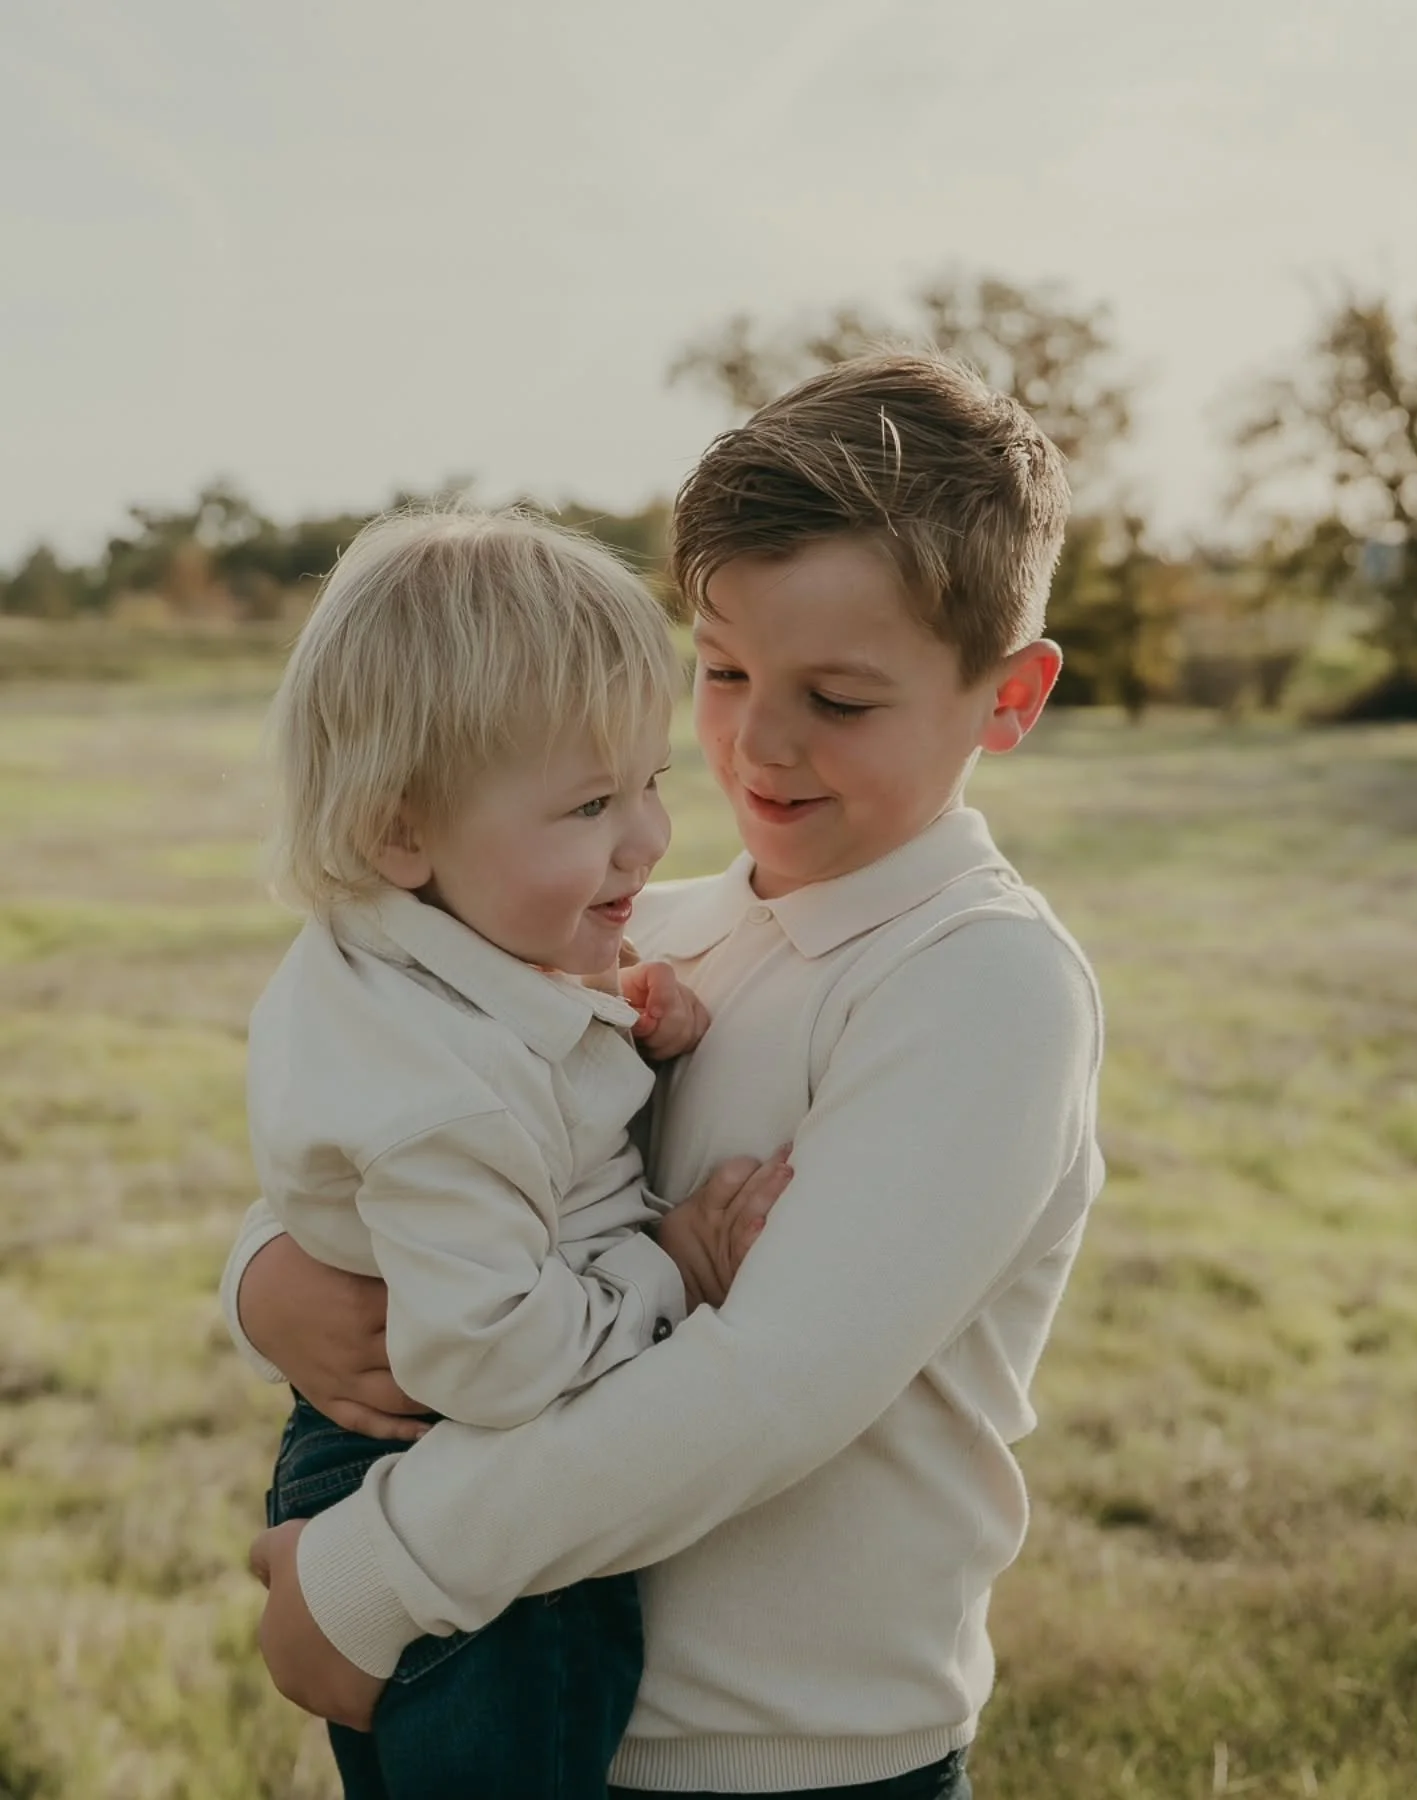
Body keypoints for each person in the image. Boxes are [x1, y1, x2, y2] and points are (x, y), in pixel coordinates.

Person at [232, 353, 1106, 1800]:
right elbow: (411, 1132)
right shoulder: (647, 932)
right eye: (725, 671)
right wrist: (267, 1272)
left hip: (794, 1756)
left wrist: (374, 1573)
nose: (759, 741)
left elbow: (764, 1387)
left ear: (1007, 698)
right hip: (539, 1699)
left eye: (839, 698)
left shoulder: (979, 986)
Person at [238, 507, 791, 1800]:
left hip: (407, 1467)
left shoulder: (401, 959)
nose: (648, 839)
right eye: (590, 804)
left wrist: (614, 1022)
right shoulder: (444, 1101)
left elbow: (484, 1084)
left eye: (648, 780)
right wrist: (673, 1266)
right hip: (455, 1500)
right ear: (402, 832)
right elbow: (491, 1361)